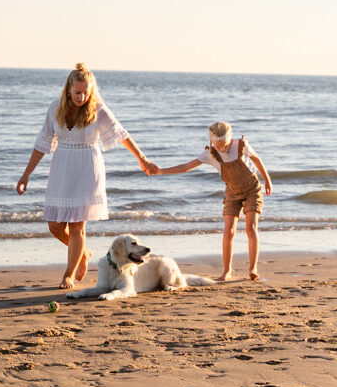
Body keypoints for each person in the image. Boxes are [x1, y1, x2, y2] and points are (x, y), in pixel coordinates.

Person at [16, 63, 157, 289]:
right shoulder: (54, 108)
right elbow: (42, 143)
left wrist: (142, 158)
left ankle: (68, 275)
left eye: (86, 92)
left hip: (87, 170)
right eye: (77, 92)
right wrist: (26, 174)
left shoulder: (97, 109)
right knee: (54, 225)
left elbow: (121, 134)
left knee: (76, 227)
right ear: (68, 90)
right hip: (62, 169)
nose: (82, 96)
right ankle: (82, 253)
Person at [152, 122, 273, 280]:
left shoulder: (241, 145)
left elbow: (256, 159)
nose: (222, 149)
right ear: (212, 141)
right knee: (229, 230)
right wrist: (160, 171)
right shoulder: (210, 154)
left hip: (252, 189)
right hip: (232, 192)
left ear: (230, 139)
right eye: (218, 145)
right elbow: (186, 167)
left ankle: (253, 269)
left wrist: (267, 180)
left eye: (224, 145)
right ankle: (227, 271)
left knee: (251, 228)